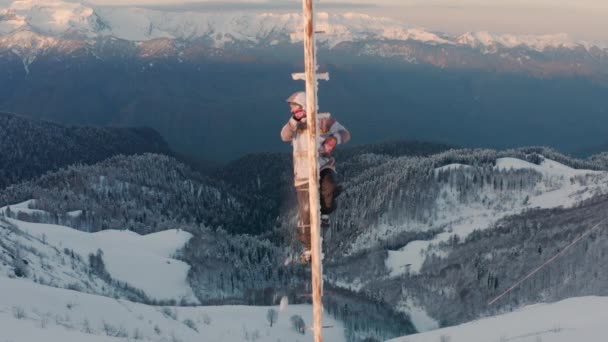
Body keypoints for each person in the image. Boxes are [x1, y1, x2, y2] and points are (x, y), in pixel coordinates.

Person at [280, 91, 351, 263]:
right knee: (305, 210)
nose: (293, 111)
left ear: (304, 106)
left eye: (295, 108)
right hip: (303, 173)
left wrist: (334, 140)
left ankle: (325, 214)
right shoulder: (294, 125)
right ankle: (308, 248)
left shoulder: (323, 120)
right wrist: (295, 121)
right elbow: (284, 136)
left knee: (329, 189)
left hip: (322, 165)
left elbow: (345, 134)